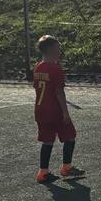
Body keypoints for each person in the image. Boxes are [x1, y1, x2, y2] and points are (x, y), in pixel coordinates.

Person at [32, 35, 81, 182]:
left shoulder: (38, 67)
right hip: (55, 110)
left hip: (40, 110)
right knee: (70, 136)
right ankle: (66, 167)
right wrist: (65, 112)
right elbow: (59, 91)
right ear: (50, 50)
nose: (60, 51)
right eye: (58, 48)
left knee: (47, 141)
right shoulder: (55, 69)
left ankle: (43, 172)